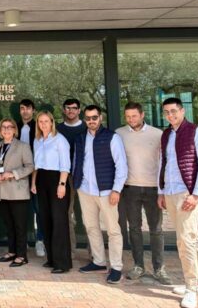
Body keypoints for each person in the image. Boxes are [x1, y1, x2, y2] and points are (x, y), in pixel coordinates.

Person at [158, 97, 198, 308]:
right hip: (170, 192)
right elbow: (162, 163)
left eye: (174, 111)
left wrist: (195, 195)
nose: (170, 115)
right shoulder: (166, 134)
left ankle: (190, 290)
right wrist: (161, 191)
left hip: (187, 193)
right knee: (192, 237)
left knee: (184, 240)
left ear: (182, 111)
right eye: (166, 112)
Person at [116, 102, 171, 284]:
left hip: (153, 189)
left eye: (134, 115)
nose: (131, 119)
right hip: (130, 189)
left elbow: (165, 162)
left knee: (156, 230)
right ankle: (138, 266)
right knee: (134, 229)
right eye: (127, 116)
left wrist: (163, 189)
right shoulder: (119, 134)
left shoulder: (157, 134)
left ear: (142, 115)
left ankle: (159, 269)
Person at [73, 105, 127, 284]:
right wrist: (77, 183)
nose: (91, 121)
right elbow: (77, 162)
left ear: (100, 118)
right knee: (91, 227)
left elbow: (121, 165)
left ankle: (116, 267)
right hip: (85, 190)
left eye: (94, 117)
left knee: (113, 230)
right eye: (88, 118)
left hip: (106, 191)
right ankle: (99, 262)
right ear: (85, 119)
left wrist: (116, 189)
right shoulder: (81, 138)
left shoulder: (112, 137)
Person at [0, 118, 34, 267]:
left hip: (17, 192)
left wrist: (13, 173)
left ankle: (22, 255)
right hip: (1, 191)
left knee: (19, 226)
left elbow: (30, 167)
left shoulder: (23, 146)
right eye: (3, 127)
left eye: (9, 127)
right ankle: (12, 252)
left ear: (15, 130)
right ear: (0, 130)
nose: (6, 129)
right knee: (9, 224)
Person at [32, 111, 72, 273]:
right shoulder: (37, 140)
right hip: (41, 180)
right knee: (45, 220)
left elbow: (65, 165)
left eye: (46, 121)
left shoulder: (60, 140)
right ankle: (51, 259)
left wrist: (62, 184)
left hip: (57, 179)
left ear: (52, 122)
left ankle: (62, 263)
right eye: (40, 121)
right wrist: (33, 182)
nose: (43, 124)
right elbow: (36, 164)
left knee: (58, 221)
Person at [56, 98, 87, 254]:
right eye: (68, 108)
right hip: (65, 176)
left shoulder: (87, 127)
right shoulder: (57, 129)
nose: (71, 110)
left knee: (88, 215)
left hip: (85, 175)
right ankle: (70, 251)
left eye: (74, 108)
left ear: (79, 110)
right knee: (67, 214)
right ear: (64, 110)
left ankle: (94, 254)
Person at [16, 98, 44, 258]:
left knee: (38, 209)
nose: (25, 111)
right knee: (21, 210)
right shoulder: (15, 128)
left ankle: (40, 240)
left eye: (28, 108)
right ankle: (23, 241)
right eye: (22, 108)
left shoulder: (39, 127)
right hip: (18, 174)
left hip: (37, 174)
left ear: (33, 110)